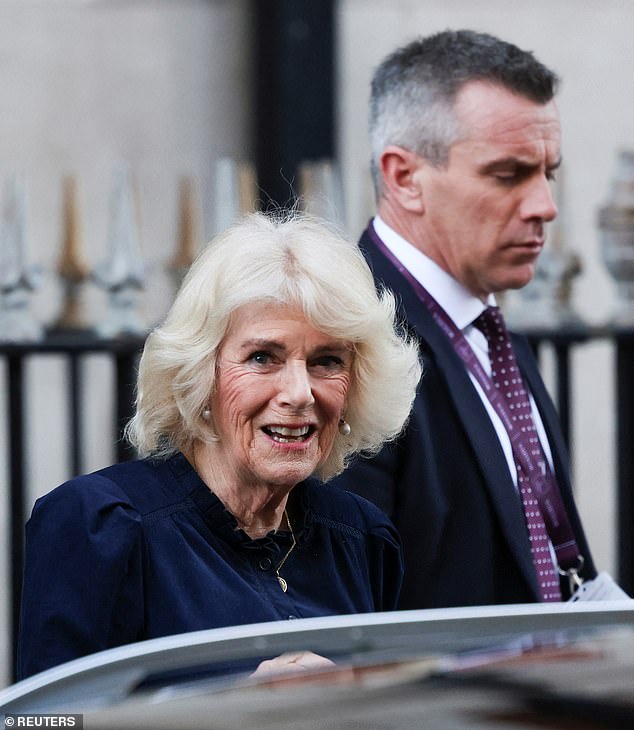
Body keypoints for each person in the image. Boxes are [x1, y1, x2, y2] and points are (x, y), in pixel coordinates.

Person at [17, 211, 421, 680]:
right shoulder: (103, 529)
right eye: (262, 357)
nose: (299, 392)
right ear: (199, 373)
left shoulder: (361, 539)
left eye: (326, 360)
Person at [332, 29, 599, 608]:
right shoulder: (340, 341)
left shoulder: (486, 322)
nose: (545, 207)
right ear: (404, 178)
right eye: (508, 174)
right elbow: (342, 614)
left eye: (546, 173)